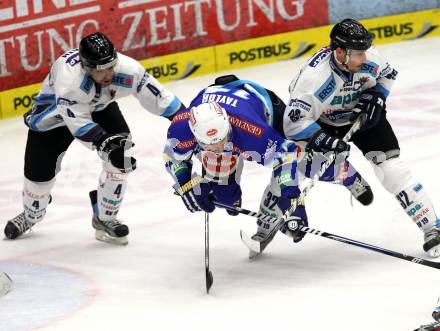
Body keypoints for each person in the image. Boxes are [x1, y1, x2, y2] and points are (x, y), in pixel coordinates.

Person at [3, 32, 184, 245]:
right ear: (87, 67)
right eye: (101, 70)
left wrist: (185, 118)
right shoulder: (70, 80)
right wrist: (107, 145)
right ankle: (32, 215)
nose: (108, 75)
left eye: (111, 66)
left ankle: (104, 217)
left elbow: (158, 96)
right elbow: (78, 123)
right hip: (54, 119)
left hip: (98, 107)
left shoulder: (128, 69)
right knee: (38, 182)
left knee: (122, 155)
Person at [280, 18, 440, 257]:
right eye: (357, 54)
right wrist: (321, 138)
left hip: (363, 118)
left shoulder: (369, 58)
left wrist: (377, 95)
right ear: (340, 52)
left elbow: (388, 75)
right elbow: (293, 123)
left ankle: (432, 228)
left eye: (364, 52)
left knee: (391, 169)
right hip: (323, 123)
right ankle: (341, 178)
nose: (363, 58)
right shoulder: (313, 80)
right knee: (297, 165)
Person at [164, 76, 368, 244]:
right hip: (219, 102)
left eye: (222, 140)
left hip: (263, 108)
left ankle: (347, 175)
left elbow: (286, 156)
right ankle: (234, 195)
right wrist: (187, 185)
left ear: (227, 124)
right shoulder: (182, 127)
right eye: (210, 144)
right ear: (195, 135)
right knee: (223, 199)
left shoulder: (253, 132)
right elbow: (173, 159)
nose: (219, 148)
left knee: (306, 162)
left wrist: (291, 197)